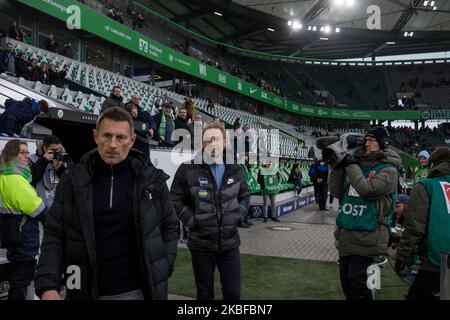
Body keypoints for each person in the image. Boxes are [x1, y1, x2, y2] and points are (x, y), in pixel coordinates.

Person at [34, 107, 178, 300]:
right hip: (83, 293)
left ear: (132, 140)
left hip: (138, 293)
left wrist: (163, 266)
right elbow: (54, 235)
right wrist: (48, 285)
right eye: (107, 136)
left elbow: (170, 226)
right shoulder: (73, 181)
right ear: (95, 136)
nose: (113, 144)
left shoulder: (152, 181)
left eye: (121, 137)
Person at [170, 122, 250, 300]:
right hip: (201, 245)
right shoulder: (187, 169)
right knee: (204, 294)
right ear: (202, 143)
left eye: (217, 139)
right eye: (208, 140)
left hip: (230, 244)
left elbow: (245, 196)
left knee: (233, 294)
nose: (213, 143)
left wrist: (238, 215)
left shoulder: (236, 169)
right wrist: (192, 220)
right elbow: (175, 198)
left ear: (225, 142)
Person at [329, 126, 401, 300]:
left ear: (382, 144)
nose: (366, 144)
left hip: (369, 236)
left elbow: (367, 190)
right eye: (365, 140)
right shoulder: (355, 165)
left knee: (357, 284)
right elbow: (337, 192)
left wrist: (350, 164)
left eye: (371, 140)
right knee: (346, 284)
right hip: (347, 234)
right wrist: (337, 165)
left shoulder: (389, 170)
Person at [394, 146, 450, 300]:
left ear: (432, 165)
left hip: (436, 259)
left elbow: (414, 228)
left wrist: (401, 256)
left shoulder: (426, 186)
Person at [0, 139, 46, 300]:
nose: (27, 156)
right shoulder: (15, 178)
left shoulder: (6, 174)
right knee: (21, 281)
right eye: (22, 152)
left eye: (27, 152)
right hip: (24, 238)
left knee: (18, 281)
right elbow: (37, 209)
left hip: (15, 235)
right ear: (12, 155)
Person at [29, 135, 68, 209]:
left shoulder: (63, 158)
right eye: (54, 150)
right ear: (45, 148)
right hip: (41, 209)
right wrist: (43, 161)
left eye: (58, 150)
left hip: (59, 208)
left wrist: (61, 169)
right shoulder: (33, 160)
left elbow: (70, 182)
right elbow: (32, 180)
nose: (57, 153)